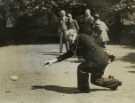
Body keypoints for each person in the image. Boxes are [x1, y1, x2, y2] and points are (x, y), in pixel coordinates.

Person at [44, 32, 122, 93]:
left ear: (74, 34)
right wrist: (52, 61)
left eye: (69, 38)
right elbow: (68, 54)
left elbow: (94, 46)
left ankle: (83, 89)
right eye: (68, 39)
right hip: (103, 59)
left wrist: (108, 55)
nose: (69, 40)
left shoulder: (81, 37)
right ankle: (114, 83)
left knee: (81, 68)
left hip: (97, 60)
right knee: (95, 80)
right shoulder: (77, 43)